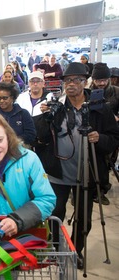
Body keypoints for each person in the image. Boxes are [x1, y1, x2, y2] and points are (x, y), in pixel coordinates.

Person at [37, 62, 119, 269]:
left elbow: (114, 139)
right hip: (58, 173)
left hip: (87, 173)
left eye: (76, 80)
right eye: (67, 80)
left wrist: (99, 138)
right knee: (55, 214)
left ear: (85, 81)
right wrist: (43, 118)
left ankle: (76, 250)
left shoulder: (99, 108)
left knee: (83, 218)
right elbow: (42, 139)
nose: (71, 84)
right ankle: (56, 250)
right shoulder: (56, 107)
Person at [89, 63, 119, 205]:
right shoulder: (88, 93)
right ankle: (93, 190)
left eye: (104, 80)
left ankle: (102, 189)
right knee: (94, 162)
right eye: (98, 81)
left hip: (110, 132)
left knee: (107, 162)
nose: (101, 83)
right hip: (93, 131)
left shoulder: (116, 92)